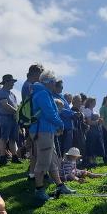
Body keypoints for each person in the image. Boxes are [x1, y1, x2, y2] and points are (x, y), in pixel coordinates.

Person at [29, 71, 75, 201]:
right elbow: (49, 113)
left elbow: (49, 113)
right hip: (42, 131)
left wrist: (55, 127)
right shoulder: (43, 94)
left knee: (52, 161)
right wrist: (60, 124)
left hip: (46, 130)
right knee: (43, 162)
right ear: (49, 82)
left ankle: (60, 186)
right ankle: (39, 191)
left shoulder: (43, 93)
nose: (55, 83)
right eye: (54, 81)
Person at [0, 74, 20, 165]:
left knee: (13, 138)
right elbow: (5, 105)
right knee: (4, 138)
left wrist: (16, 112)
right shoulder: (1, 92)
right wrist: (17, 112)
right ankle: (2, 157)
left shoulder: (12, 94)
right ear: (6, 82)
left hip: (13, 118)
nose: (13, 83)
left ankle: (14, 157)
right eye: (12, 81)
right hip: (5, 117)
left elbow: (15, 105)